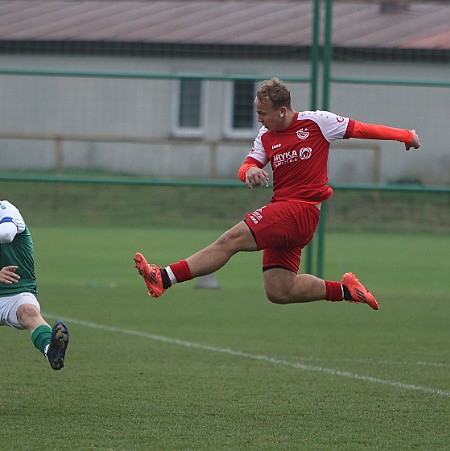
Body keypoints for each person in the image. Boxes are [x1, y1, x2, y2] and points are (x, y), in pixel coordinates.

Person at [134, 77, 421, 310]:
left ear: (282, 111)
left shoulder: (317, 122)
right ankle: (347, 291)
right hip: (288, 215)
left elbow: (362, 129)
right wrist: (249, 172)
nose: (259, 120)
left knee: (230, 239)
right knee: (280, 290)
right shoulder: (265, 136)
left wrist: (406, 136)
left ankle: (164, 277)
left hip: (301, 209)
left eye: (263, 113)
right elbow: (246, 165)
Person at [0, 200, 69, 370]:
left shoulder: (6, 209)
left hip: (17, 291)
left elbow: (7, 233)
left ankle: (51, 350)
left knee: (29, 312)